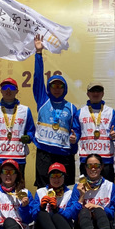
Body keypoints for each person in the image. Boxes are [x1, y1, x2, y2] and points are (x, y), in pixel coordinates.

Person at [33, 35, 79, 187]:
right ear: (49, 88)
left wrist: (75, 140)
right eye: (54, 86)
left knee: (65, 190)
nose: (57, 89)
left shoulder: (71, 108)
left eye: (60, 86)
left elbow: (76, 131)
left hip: (64, 154)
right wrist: (38, 54)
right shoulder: (43, 100)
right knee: (43, 189)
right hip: (44, 153)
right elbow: (38, 78)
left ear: (64, 88)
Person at [0, 78, 35, 188]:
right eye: (5, 88)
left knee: (18, 188)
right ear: (1, 91)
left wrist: (29, 137)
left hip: (17, 156)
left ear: (17, 91)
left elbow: (31, 131)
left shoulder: (25, 110)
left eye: (11, 88)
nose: (8, 90)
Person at [31, 163, 82, 229]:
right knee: (42, 213)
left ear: (64, 177)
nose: (56, 179)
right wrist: (41, 207)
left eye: (59, 176)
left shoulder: (69, 193)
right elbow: (33, 216)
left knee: (56, 214)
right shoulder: (40, 192)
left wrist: (57, 209)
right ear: (49, 177)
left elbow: (70, 215)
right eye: (53, 176)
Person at [71, 153, 115, 229]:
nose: (93, 169)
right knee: (84, 210)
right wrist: (82, 196)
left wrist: (99, 207)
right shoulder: (78, 187)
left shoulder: (109, 186)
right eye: (90, 166)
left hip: (103, 228)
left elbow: (114, 213)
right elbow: (72, 214)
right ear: (85, 168)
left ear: (102, 167)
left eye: (96, 166)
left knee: (98, 210)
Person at [74, 82, 115, 182]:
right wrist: (74, 138)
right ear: (88, 93)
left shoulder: (110, 112)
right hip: (87, 159)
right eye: (93, 91)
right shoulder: (80, 112)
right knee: (86, 188)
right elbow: (76, 132)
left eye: (98, 91)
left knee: (107, 188)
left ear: (103, 93)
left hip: (105, 159)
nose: (95, 93)